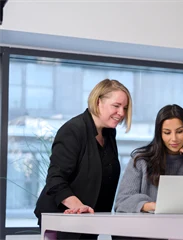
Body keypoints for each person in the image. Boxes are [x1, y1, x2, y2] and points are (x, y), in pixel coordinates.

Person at [34, 79, 132, 240]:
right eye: (116, 106)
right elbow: (55, 179)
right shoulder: (73, 130)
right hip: (63, 219)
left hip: (88, 220)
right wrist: (79, 207)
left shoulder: (108, 133)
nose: (121, 113)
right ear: (98, 101)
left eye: (125, 108)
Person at [113, 104, 183, 239]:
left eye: (179, 131)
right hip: (145, 231)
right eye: (167, 133)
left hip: (182, 230)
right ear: (159, 134)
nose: (174, 139)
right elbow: (122, 202)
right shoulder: (141, 159)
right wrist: (152, 206)